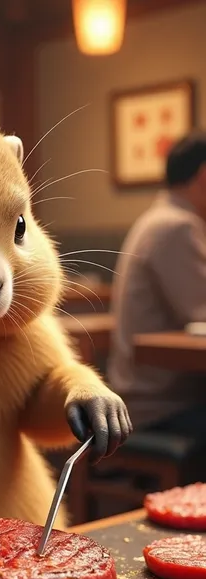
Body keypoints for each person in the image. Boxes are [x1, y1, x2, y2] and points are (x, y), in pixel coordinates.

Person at [108, 131, 206, 444]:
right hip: (160, 404)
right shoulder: (177, 225)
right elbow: (202, 311)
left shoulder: (160, 219)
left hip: (143, 393)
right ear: (204, 175)